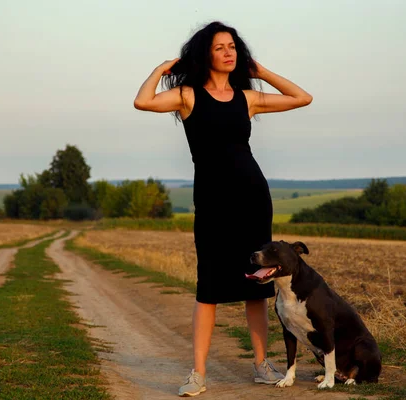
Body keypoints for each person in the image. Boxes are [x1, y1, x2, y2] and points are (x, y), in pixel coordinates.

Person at [133, 20, 312, 397]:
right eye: (220, 47)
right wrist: (161, 69)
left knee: (257, 288)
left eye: (233, 46)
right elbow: (143, 101)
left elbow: (302, 97)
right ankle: (197, 374)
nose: (229, 52)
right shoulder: (187, 96)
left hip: (252, 199)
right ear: (205, 54)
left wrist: (260, 71)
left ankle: (262, 366)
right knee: (209, 289)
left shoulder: (247, 97)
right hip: (213, 204)